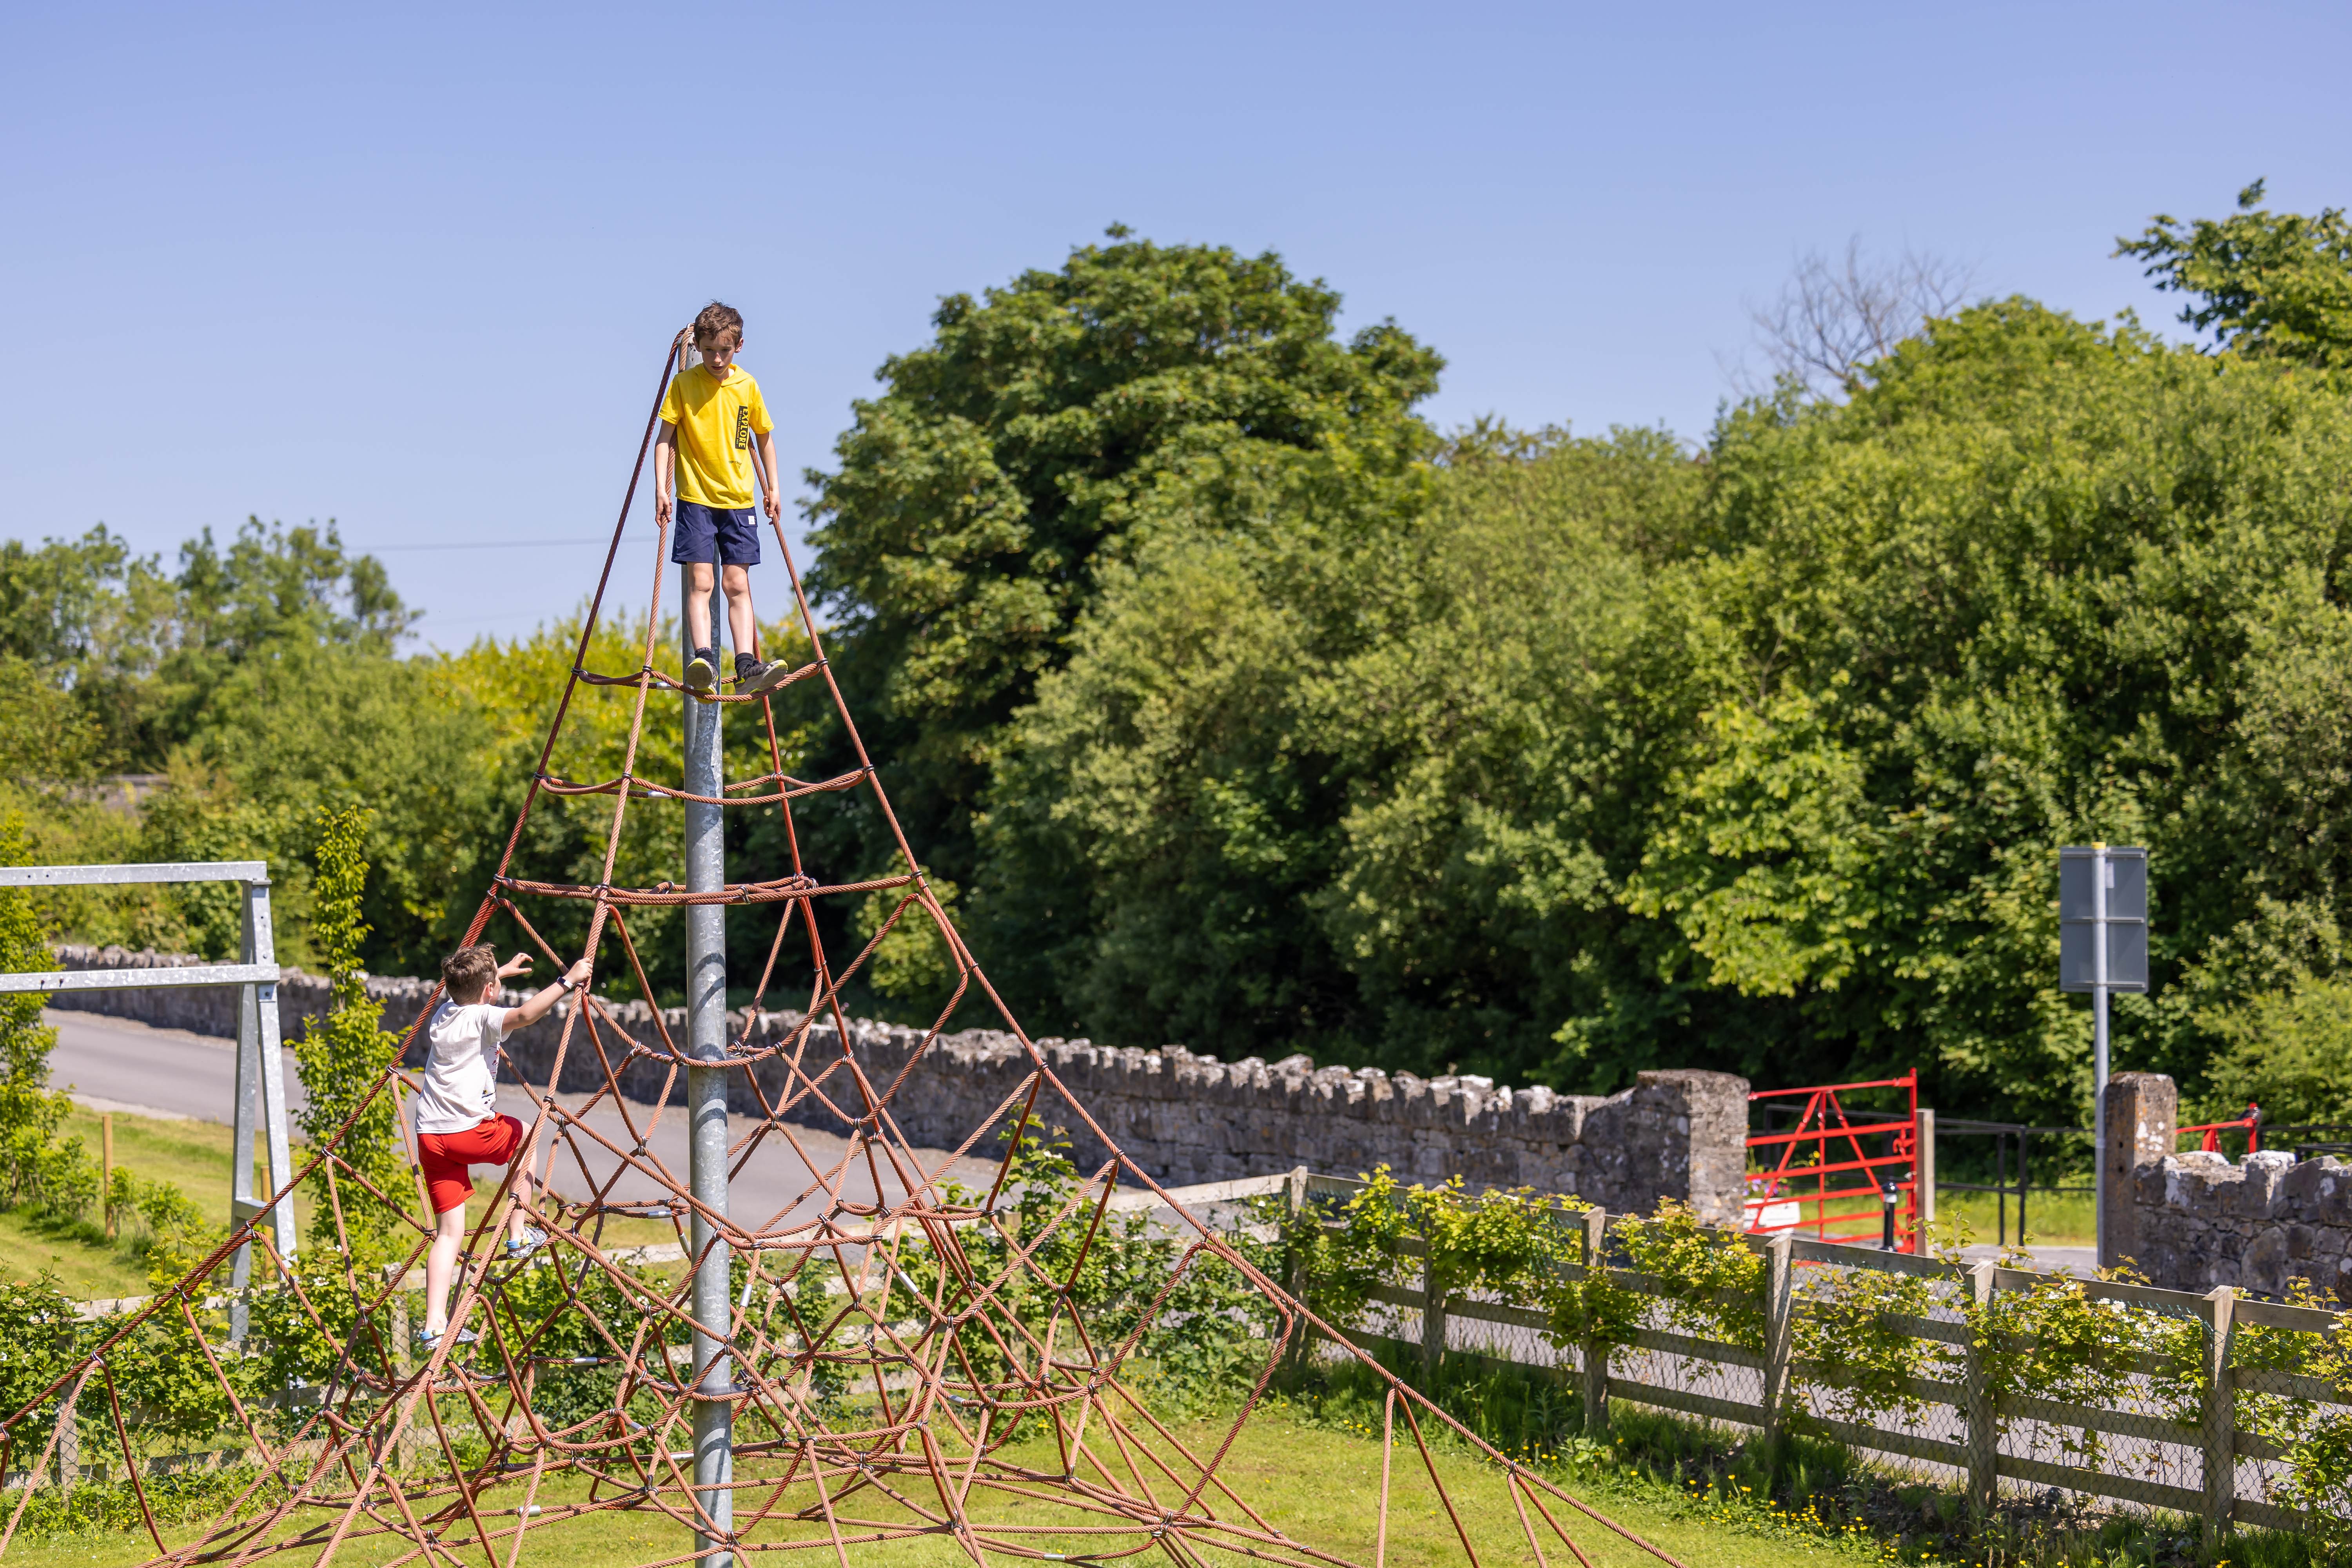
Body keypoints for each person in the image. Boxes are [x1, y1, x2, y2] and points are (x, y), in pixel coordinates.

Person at [413, 942, 592, 1349]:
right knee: (528, 1133)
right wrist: (568, 980)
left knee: (449, 1233)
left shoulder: (443, 1014)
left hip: (431, 1135)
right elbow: (527, 1014)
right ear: (489, 991)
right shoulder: (483, 1017)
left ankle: (434, 1324)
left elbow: (466, 988)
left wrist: (502, 973)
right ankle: (518, 1233)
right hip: (466, 1129)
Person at [654, 301, 790, 698]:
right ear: (698, 345)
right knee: (702, 580)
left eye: (724, 350)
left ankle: (747, 663)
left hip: (738, 501)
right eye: (709, 349)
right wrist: (660, 488)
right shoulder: (684, 385)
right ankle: (704, 660)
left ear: (739, 347)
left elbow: (762, 438)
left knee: (737, 583)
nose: (716, 358)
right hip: (695, 497)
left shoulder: (746, 387)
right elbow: (665, 439)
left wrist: (773, 487)